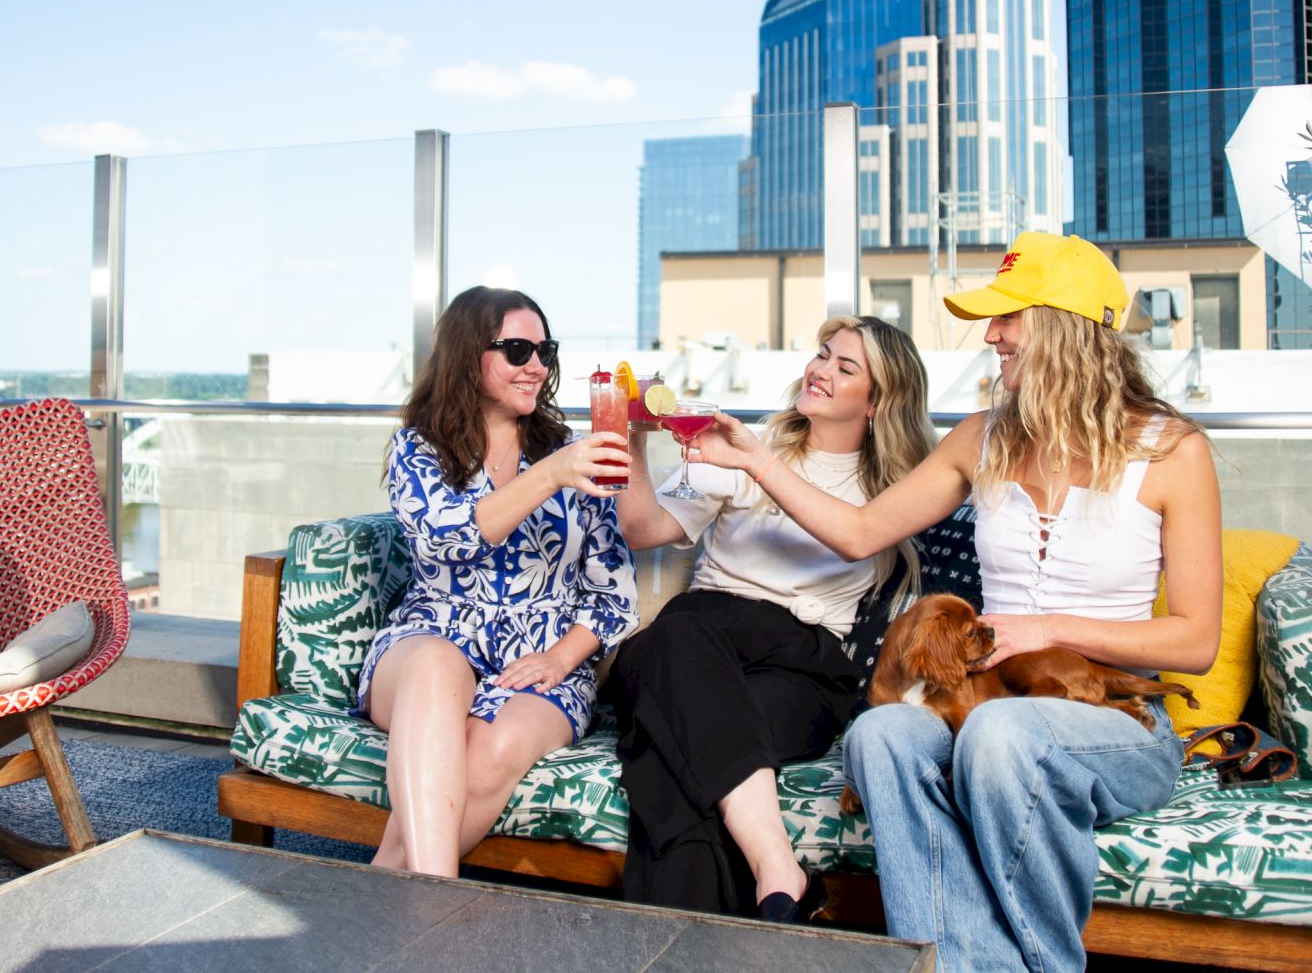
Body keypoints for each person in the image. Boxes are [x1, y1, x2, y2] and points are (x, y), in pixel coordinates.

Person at [689, 233, 1222, 972]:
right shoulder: (983, 439)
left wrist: (1047, 627)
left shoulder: (1172, 451)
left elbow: (1196, 640)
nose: (992, 334)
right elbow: (861, 530)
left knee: (1001, 734)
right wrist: (755, 458)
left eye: (1008, 316)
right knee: (880, 737)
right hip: (985, 709)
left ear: (1065, 329)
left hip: (1114, 722)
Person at [607, 315, 934, 921]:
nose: (820, 369)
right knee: (674, 642)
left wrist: (754, 462)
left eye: (845, 366)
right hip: (700, 636)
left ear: (877, 402)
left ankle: (672, 948)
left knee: (673, 751)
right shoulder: (750, 447)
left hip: (803, 666)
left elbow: (853, 536)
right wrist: (631, 438)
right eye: (822, 354)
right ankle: (778, 873)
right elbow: (642, 528)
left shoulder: (896, 487)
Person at [357, 285, 637, 878]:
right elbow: (445, 537)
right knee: (436, 667)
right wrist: (554, 475)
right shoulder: (419, 448)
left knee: (491, 750)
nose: (536, 366)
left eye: (545, 351)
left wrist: (562, 659)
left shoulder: (571, 449)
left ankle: (392, 888)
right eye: (517, 350)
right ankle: (437, 897)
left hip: (540, 658)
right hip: (428, 642)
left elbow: (613, 589)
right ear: (467, 354)